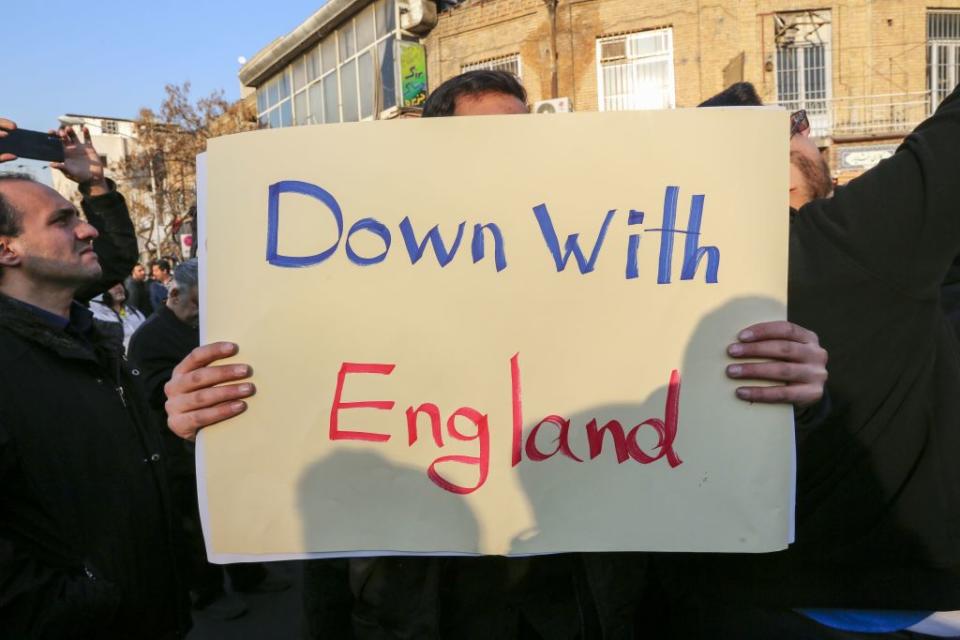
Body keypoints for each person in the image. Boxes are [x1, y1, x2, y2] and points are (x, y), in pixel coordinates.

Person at [160, 71, 828, 639]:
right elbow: (297, 427)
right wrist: (205, 418)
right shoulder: (350, 274)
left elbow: (696, 419)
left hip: (583, 601)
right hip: (418, 607)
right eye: (479, 143)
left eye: (522, 137)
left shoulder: (618, 261)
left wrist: (785, 392)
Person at [0, 122, 188, 637]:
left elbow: (116, 254)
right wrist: (80, 602)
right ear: (7, 250)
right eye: (63, 221)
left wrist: (96, 186)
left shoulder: (83, 331)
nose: (87, 230)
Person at [128, 259, 289, 621]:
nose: (202, 312)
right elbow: (151, 393)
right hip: (174, 449)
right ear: (174, 294)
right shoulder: (150, 337)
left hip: (219, 441)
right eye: (197, 303)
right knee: (192, 525)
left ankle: (248, 573)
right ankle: (207, 592)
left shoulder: (205, 325)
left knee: (231, 513)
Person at [89, 282, 146, 352]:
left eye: (120, 284)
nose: (119, 287)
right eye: (112, 285)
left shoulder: (134, 311)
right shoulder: (96, 314)